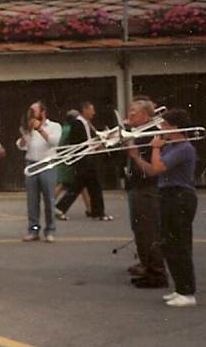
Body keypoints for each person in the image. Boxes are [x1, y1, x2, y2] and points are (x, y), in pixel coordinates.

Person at [127, 108, 198, 307]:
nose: (161, 129)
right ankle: (179, 289)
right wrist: (136, 157)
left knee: (180, 245)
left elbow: (158, 167)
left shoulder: (184, 147)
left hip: (181, 196)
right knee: (168, 244)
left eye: (165, 125)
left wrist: (156, 148)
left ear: (175, 127)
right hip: (167, 194)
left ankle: (188, 292)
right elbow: (152, 172)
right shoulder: (170, 146)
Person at [124, 98, 168, 289]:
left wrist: (134, 156)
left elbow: (152, 168)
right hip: (136, 186)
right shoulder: (137, 133)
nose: (130, 115)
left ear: (145, 116)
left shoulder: (152, 136)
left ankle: (157, 273)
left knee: (149, 232)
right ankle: (148, 267)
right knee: (140, 231)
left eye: (134, 112)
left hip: (147, 188)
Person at [56, 101, 112, 221]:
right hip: (83, 159)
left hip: (88, 158)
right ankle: (98, 213)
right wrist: (92, 146)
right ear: (85, 109)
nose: (94, 112)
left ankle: (97, 212)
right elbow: (76, 143)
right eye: (92, 109)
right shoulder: (78, 123)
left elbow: (89, 139)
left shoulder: (87, 123)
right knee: (86, 186)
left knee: (89, 186)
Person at [17, 101, 61, 242]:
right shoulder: (29, 128)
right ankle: (34, 230)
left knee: (49, 198)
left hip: (47, 164)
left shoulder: (54, 126)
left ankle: (50, 230)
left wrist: (40, 129)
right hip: (32, 163)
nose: (31, 113)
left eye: (34, 111)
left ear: (42, 112)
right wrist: (26, 134)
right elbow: (22, 146)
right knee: (32, 200)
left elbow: (55, 142)